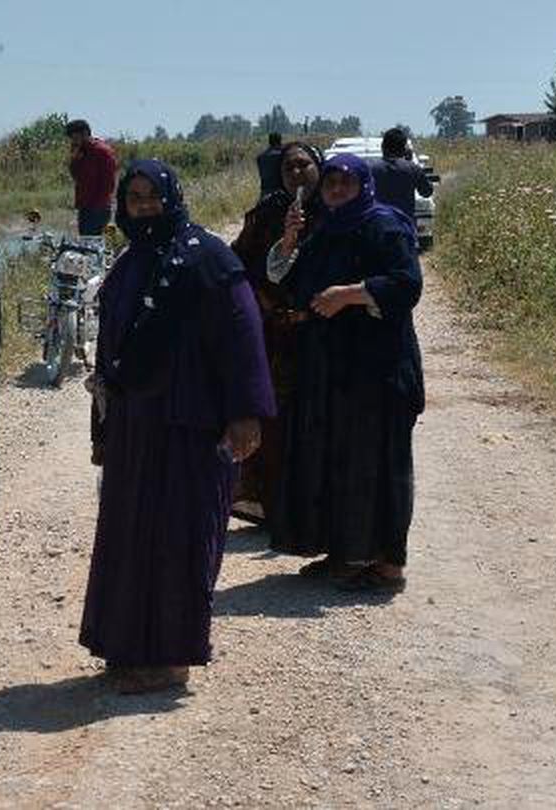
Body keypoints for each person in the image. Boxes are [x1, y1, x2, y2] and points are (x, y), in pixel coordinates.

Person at [80, 159, 275, 693]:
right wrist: (102, 426)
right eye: (134, 196)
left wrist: (244, 413)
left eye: (152, 196)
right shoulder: (128, 263)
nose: (144, 206)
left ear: (172, 196)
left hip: (192, 421)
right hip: (137, 425)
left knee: (180, 537)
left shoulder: (207, 258)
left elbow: (242, 337)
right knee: (130, 535)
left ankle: (170, 658)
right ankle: (127, 645)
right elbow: (110, 352)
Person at [267, 153, 424, 592]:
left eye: (345, 183)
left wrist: (351, 295)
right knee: (340, 460)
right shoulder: (327, 229)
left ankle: (388, 565)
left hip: (379, 369)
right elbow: (292, 284)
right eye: (330, 183)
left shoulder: (384, 226)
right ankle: (346, 552)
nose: (335, 190)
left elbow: (406, 284)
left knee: (381, 464)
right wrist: (288, 240)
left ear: (363, 185)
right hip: (336, 370)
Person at [230, 142, 324, 527]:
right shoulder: (269, 211)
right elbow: (238, 263)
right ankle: (266, 505)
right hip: (274, 334)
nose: (296, 174)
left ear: (319, 167)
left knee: (314, 421)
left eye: (304, 165)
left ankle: (311, 509)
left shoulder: (334, 210)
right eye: (289, 168)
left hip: (320, 334)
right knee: (272, 420)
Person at [369, 127, 433, 224]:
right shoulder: (412, 168)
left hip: (379, 226)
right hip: (405, 226)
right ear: (404, 149)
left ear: (383, 147)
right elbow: (426, 192)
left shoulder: (371, 169)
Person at [66, 119, 118, 236]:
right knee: (85, 244)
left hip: (98, 208)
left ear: (84, 134)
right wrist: (74, 159)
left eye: (74, 137)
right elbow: (76, 177)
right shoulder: (81, 151)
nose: (73, 141)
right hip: (84, 206)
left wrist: (97, 205)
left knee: (93, 245)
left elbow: (109, 182)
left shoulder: (102, 151)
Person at [256, 132, 285, 197]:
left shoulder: (261, 157)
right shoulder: (283, 155)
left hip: (265, 192)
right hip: (282, 192)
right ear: (280, 141)